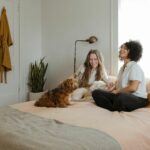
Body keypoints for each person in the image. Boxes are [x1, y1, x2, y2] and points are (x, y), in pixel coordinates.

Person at [92, 40, 148, 111]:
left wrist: (117, 91)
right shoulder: (122, 68)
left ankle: (114, 106)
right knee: (96, 93)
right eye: (121, 48)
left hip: (138, 98)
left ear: (132, 52)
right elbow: (120, 86)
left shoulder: (134, 66)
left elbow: (133, 88)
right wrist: (113, 87)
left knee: (120, 97)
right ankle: (113, 108)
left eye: (125, 48)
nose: (121, 49)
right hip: (122, 96)